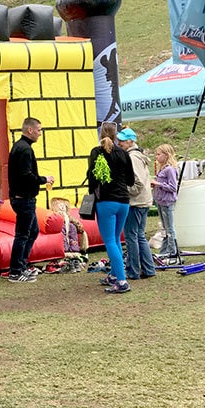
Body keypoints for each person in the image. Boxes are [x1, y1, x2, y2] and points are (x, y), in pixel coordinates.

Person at [87, 121, 135, 294]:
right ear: (117, 136)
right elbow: (131, 179)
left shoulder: (96, 152)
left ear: (100, 134)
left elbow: (92, 178)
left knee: (109, 241)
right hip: (124, 201)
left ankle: (122, 281)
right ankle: (114, 275)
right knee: (115, 239)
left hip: (106, 202)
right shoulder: (123, 153)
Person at [5, 117, 54, 283]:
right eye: (39, 130)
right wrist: (43, 179)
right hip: (23, 198)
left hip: (21, 197)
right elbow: (26, 175)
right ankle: (16, 271)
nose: (40, 133)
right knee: (22, 235)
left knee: (32, 232)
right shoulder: (24, 149)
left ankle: (21, 264)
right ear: (30, 130)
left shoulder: (21, 147)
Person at [116, 128, 156, 280]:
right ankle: (148, 268)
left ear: (131, 141)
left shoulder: (132, 158)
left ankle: (133, 270)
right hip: (143, 201)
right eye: (119, 139)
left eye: (122, 140)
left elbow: (137, 183)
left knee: (131, 237)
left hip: (136, 202)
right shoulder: (138, 155)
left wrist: (122, 189)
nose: (119, 143)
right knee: (139, 236)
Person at [151, 143, 179, 259]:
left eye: (158, 154)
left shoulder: (170, 170)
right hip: (160, 201)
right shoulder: (162, 169)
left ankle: (172, 251)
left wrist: (158, 184)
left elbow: (173, 187)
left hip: (167, 202)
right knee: (165, 227)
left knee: (170, 228)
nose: (156, 157)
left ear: (166, 155)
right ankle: (164, 250)